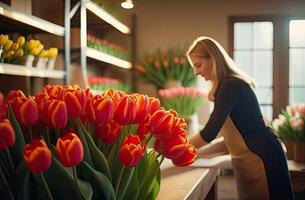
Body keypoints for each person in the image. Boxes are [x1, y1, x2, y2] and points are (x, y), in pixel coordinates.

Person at [186, 36, 294, 200]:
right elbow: (228, 140)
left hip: (262, 158)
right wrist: (192, 154)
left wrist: (178, 149)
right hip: (255, 157)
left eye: (198, 65)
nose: (196, 72)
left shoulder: (230, 86)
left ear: (213, 59)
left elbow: (209, 133)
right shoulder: (227, 87)